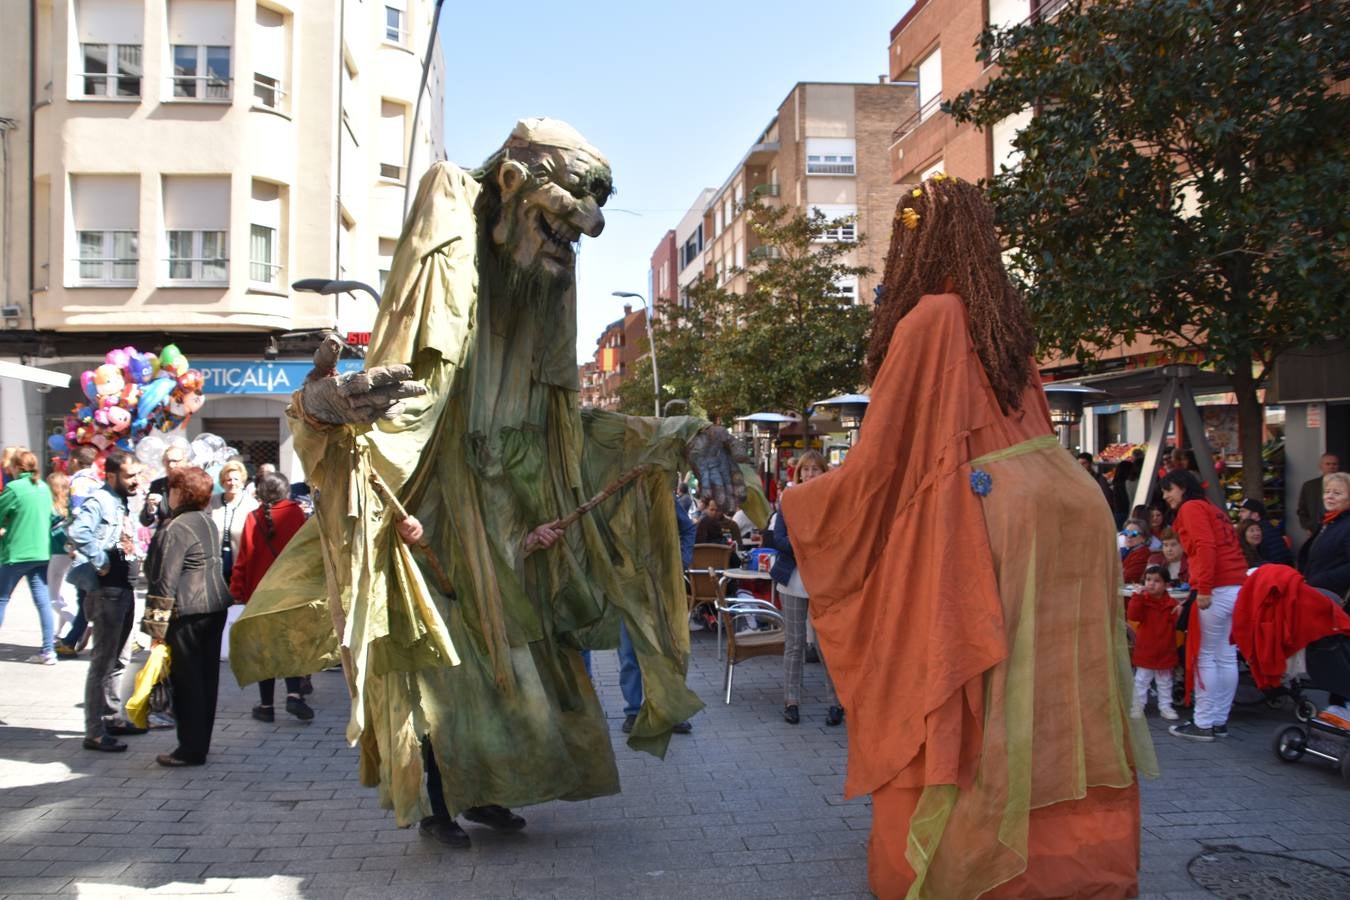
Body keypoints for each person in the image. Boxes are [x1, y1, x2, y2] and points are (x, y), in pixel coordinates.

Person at [229, 119, 762, 846]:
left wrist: (685, 433)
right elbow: (397, 403)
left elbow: (571, 431)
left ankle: (490, 789)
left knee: (511, 675)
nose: (585, 229)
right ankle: (439, 804)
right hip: (437, 526)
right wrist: (322, 412)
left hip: (509, 529)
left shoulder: (540, 295)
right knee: (441, 676)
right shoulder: (454, 222)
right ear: (511, 185)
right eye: (568, 211)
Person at [780, 175, 1154, 898]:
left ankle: (974, 864)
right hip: (1068, 504)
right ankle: (1068, 865)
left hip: (996, 516)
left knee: (961, 691)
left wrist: (806, 504)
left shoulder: (930, 318)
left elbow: (881, 460)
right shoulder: (1003, 323)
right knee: (1048, 698)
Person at [142, 466, 232, 766]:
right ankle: (199, 743)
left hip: (188, 610)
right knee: (206, 679)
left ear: (179, 492)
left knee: (188, 682)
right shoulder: (207, 522)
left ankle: (190, 749)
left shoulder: (175, 527)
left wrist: (156, 628)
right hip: (214, 607)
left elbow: (164, 580)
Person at [1159, 468, 1248, 742]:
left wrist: (1204, 588)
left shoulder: (1191, 509)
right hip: (1235, 586)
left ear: (1182, 487)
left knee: (1206, 655)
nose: (1165, 496)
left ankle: (1203, 722)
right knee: (1225, 654)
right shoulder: (1211, 508)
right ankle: (1218, 720)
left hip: (1217, 589)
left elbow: (1205, 547)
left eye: (1168, 490)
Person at [69, 450, 147, 752]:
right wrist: (101, 559)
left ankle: (112, 717)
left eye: (137, 475)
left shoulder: (121, 501)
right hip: (107, 591)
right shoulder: (99, 500)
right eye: (129, 476)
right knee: (102, 662)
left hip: (124, 588)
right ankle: (94, 731)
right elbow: (78, 531)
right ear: (111, 475)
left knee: (121, 658)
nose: (135, 481)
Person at [765, 450, 840, 727]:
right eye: (805, 470)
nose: (809, 474)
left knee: (825, 645)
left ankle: (836, 703)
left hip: (822, 581)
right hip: (793, 579)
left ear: (824, 473)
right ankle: (791, 701)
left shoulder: (831, 501)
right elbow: (777, 538)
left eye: (815, 469)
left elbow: (836, 538)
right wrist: (805, 547)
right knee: (794, 644)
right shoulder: (789, 499)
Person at [230, 473, 312, 722]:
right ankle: (294, 695)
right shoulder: (296, 513)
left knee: (264, 651)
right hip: (290, 592)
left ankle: (266, 706)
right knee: (290, 644)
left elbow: (243, 558)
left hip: (259, 594)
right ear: (285, 491)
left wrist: (237, 591)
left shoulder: (253, 517)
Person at [618, 496, 696, 736]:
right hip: (627, 587)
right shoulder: (613, 498)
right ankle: (633, 712)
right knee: (629, 652)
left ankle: (667, 710)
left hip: (662, 586)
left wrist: (679, 562)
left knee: (667, 650)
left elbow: (688, 529)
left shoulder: (660, 494)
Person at [0, 449, 56, 664]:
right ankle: (48, 651)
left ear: (17, 467)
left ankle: (48, 650)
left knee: (2, 599)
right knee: (43, 602)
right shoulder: (43, 487)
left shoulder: (14, 488)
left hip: (16, 553)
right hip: (41, 552)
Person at [56, 446, 103, 655]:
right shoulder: (96, 480)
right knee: (88, 593)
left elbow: (77, 514)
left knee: (84, 594)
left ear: (75, 460)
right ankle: (72, 638)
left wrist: (72, 542)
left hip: (84, 544)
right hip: (96, 542)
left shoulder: (78, 482)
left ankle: (72, 639)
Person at [1127, 565, 1181, 720]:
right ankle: (1137, 706)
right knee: (1141, 681)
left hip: (1165, 649)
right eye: (1148, 579)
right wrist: (1136, 596)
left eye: (1156, 581)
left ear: (1166, 585)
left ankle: (1166, 706)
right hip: (1146, 649)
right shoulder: (1142, 601)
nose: (1151, 583)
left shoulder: (1172, 604)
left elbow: (1177, 623)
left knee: (1165, 682)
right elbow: (1133, 615)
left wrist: (1179, 613)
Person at [1300, 471, 1350, 600]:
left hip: (1333, 596)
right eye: (1327, 492)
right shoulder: (1329, 521)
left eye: (1337, 493)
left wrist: (1320, 580)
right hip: (1317, 592)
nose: (1329, 496)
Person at [209, 460, 257, 586]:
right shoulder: (212, 502)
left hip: (241, 560)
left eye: (236, 479)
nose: (232, 483)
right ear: (222, 482)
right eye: (228, 480)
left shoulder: (251, 504)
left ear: (242, 481)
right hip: (216, 558)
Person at [46, 472, 78, 642]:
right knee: (66, 593)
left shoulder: (50, 507)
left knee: (54, 598)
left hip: (57, 552)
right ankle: (60, 634)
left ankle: (79, 625)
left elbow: (50, 530)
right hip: (70, 551)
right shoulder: (70, 505)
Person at [140, 444, 188, 530]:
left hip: (188, 536)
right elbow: (145, 521)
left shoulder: (194, 483)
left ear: (185, 461)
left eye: (175, 461)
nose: (171, 465)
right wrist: (150, 509)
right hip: (165, 537)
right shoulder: (157, 485)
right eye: (167, 461)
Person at [1236, 498, 1293, 565]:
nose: (1239, 515)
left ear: (1255, 515)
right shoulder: (1267, 527)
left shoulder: (1257, 533)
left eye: (1243, 511)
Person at [1297, 453, 1342, 536]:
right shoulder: (1309, 486)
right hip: (1316, 530)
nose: (1331, 467)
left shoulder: (1345, 485)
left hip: (1339, 530)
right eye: (1328, 464)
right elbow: (1302, 510)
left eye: (1334, 464)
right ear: (1321, 466)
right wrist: (1308, 527)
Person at [1120, 518, 1152, 583]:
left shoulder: (1143, 553)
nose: (1129, 536)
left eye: (1133, 533)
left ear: (1144, 537)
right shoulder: (1130, 551)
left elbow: (1127, 577)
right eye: (1126, 533)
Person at [1110, 458, 1136, 528]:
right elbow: (1126, 500)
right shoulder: (1125, 483)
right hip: (1124, 512)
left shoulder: (1116, 483)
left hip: (1118, 512)